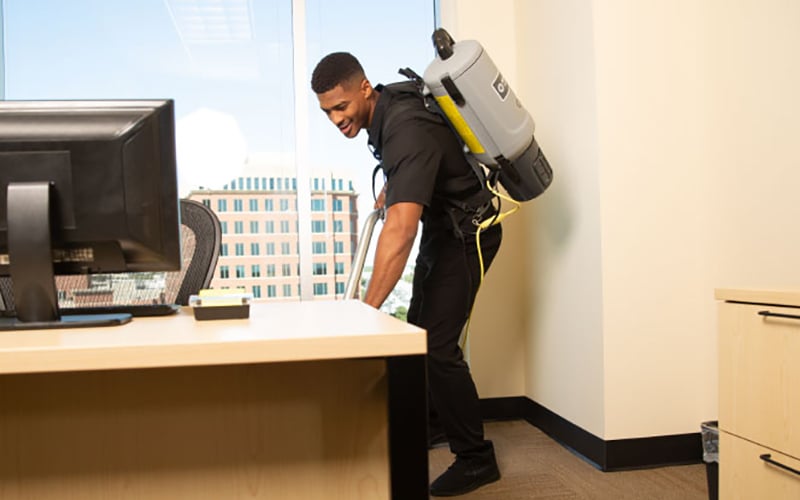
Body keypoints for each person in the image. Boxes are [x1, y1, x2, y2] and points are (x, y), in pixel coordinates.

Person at [311, 52, 503, 497]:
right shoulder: (385, 112)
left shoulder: (405, 127)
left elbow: (400, 231)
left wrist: (364, 312)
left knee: (437, 344)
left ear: (364, 88)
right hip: (446, 225)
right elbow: (412, 175)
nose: (336, 119)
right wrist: (392, 194)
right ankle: (435, 424)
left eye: (341, 107)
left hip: (471, 232)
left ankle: (476, 460)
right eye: (327, 112)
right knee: (419, 330)